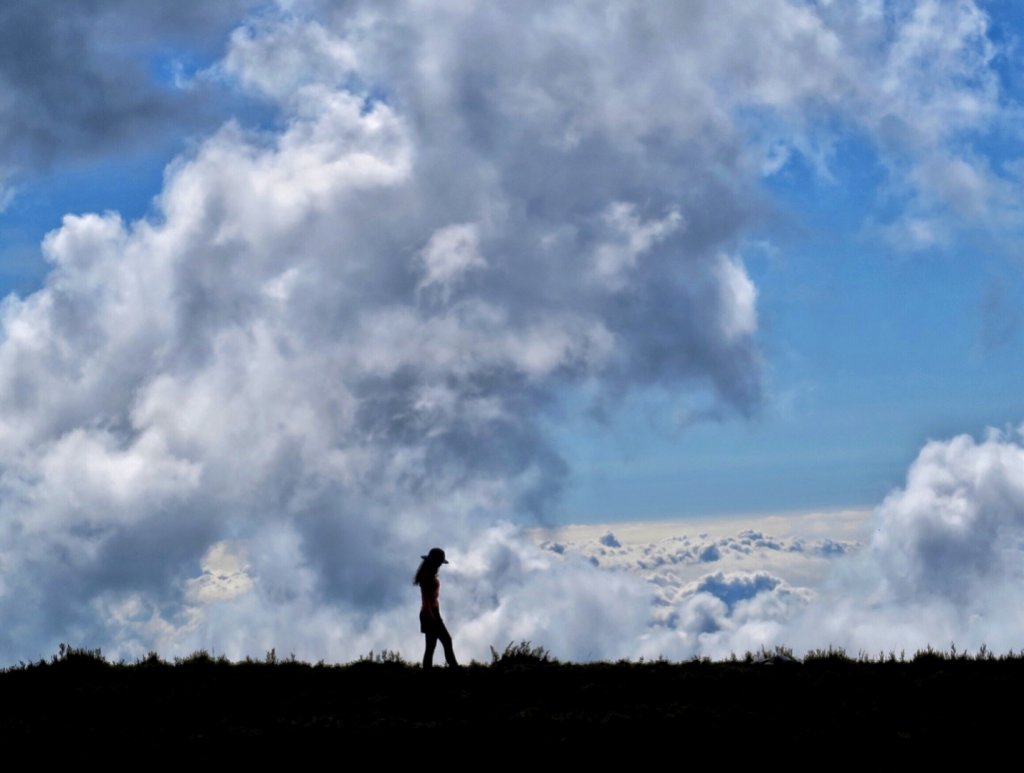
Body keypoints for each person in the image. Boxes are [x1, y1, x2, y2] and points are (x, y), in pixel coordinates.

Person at [414, 547, 459, 669]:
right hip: (430, 613)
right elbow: (426, 599)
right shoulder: (426, 576)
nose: (440, 564)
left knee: (431, 646)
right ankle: (456, 670)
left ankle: (429, 673)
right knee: (445, 641)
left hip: (431, 612)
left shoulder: (428, 574)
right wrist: (432, 617)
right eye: (439, 562)